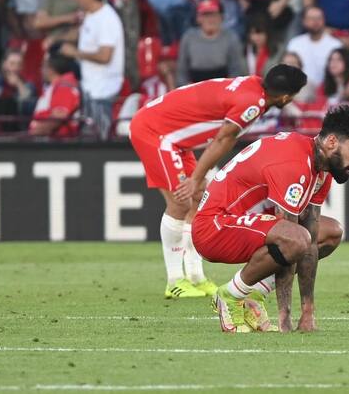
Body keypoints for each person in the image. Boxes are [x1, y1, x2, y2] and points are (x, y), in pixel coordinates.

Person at [132, 63, 308, 298]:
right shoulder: (252, 103)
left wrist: (197, 180)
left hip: (175, 138)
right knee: (181, 201)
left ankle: (195, 276)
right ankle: (174, 281)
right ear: (286, 97)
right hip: (155, 132)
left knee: (198, 201)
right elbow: (224, 138)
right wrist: (195, 178)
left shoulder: (254, 88)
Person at [192, 107, 349, 333]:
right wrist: (284, 320)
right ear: (332, 142)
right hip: (214, 227)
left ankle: (255, 293)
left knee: (330, 233)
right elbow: (291, 238)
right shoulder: (294, 162)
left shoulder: (321, 169)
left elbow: (311, 240)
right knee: (295, 239)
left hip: (245, 222)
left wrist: (308, 313)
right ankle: (230, 295)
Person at [58, 0, 124, 140]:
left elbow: (105, 56)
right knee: (89, 136)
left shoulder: (107, 18)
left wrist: (75, 53)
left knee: (101, 139)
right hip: (90, 87)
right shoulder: (90, 16)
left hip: (104, 90)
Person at [178, 0, 246, 85]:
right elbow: (182, 71)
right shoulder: (188, 38)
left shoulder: (231, 38)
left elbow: (237, 70)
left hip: (223, 87)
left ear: (221, 17)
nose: (210, 19)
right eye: (205, 15)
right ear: (198, 18)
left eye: (213, 15)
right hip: (194, 88)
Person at [28, 54, 82, 137]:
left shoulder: (64, 87)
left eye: (43, 66)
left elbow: (58, 116)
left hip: (56, 143)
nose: (40, 70)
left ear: (51, 70)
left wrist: (34, 133)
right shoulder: (56, 86)